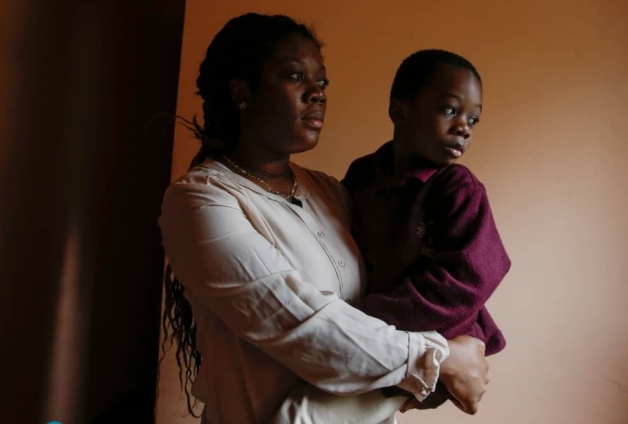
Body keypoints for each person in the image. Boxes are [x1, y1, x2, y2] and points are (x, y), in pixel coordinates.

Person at [159, 14, 489, 424]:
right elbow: (302, 326)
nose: (317, 93)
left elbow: (406, 277)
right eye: (296, 76)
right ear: (242, 93)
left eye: (322, 81)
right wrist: (441, 359)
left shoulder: (334, 192)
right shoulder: (199, 200)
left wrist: (457, 342)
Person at [274, 50, 510, 420]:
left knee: (296, 415)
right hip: (374, 337)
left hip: (439, 336)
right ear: (400, 112)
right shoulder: (365, 175)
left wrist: (365, 318)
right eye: (450, 110)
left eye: (473, 119)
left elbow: (472, 275)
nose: (464, 127)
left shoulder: (458, 188)